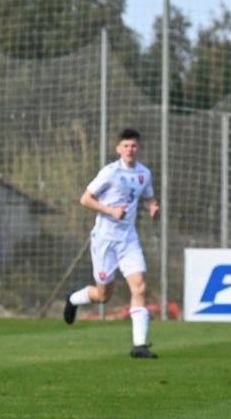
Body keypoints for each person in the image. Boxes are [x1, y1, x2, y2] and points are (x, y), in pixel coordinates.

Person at [62, 127, 160, 358]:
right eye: (125, 146)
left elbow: (148, 197)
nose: (130, 149)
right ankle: (74, 299)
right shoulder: (109, 172)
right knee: (103, 295)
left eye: (133, 145)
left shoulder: (143, 174)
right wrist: (110, 211)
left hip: (128, 240)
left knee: (140, 287)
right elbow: (85, 199)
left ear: (138, 148)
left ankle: (139, 345)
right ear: (118, 149)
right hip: (105, 240)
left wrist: (153, 206)